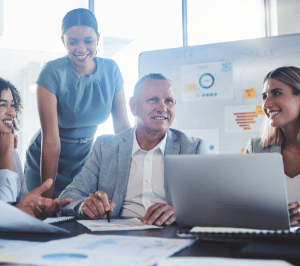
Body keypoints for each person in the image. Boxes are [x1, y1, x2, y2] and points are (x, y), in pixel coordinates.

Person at [60, 73, 208, 225]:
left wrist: (181, 211)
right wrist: (84, 205)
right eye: (153, 100)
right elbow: (69, 195)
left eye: (169, 101)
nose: (162, 107)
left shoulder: (192, 148)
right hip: (117, 235)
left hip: (170, 232)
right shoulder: (106, 146)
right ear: (133, 106)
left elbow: (211, 203)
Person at [24, 8, 130, 199]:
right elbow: (51, 141)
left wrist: (132, 180)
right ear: (63, 41)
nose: (81, 49)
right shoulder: (51, 73)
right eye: (73, 42)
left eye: (88, 41)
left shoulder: (111, 70)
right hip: (47, 159)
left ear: (98, 38)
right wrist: (47, 199)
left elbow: (123, 130)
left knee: (79, 218)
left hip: (84, 161)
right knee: (45, 219)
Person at [0, 78, 72, 219]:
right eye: (3, 105)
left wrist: (30, 206)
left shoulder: (9, 147)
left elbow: (17, 199)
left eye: (13, 106)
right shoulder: (8, 151)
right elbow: (4, 216)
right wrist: (5, 157)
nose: (12, 113)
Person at [244, 66, 300, 226]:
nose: (266, 104)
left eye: (276, 93)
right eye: (264, 96)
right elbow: (244, 204)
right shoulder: (256, 148)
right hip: (270, 240)